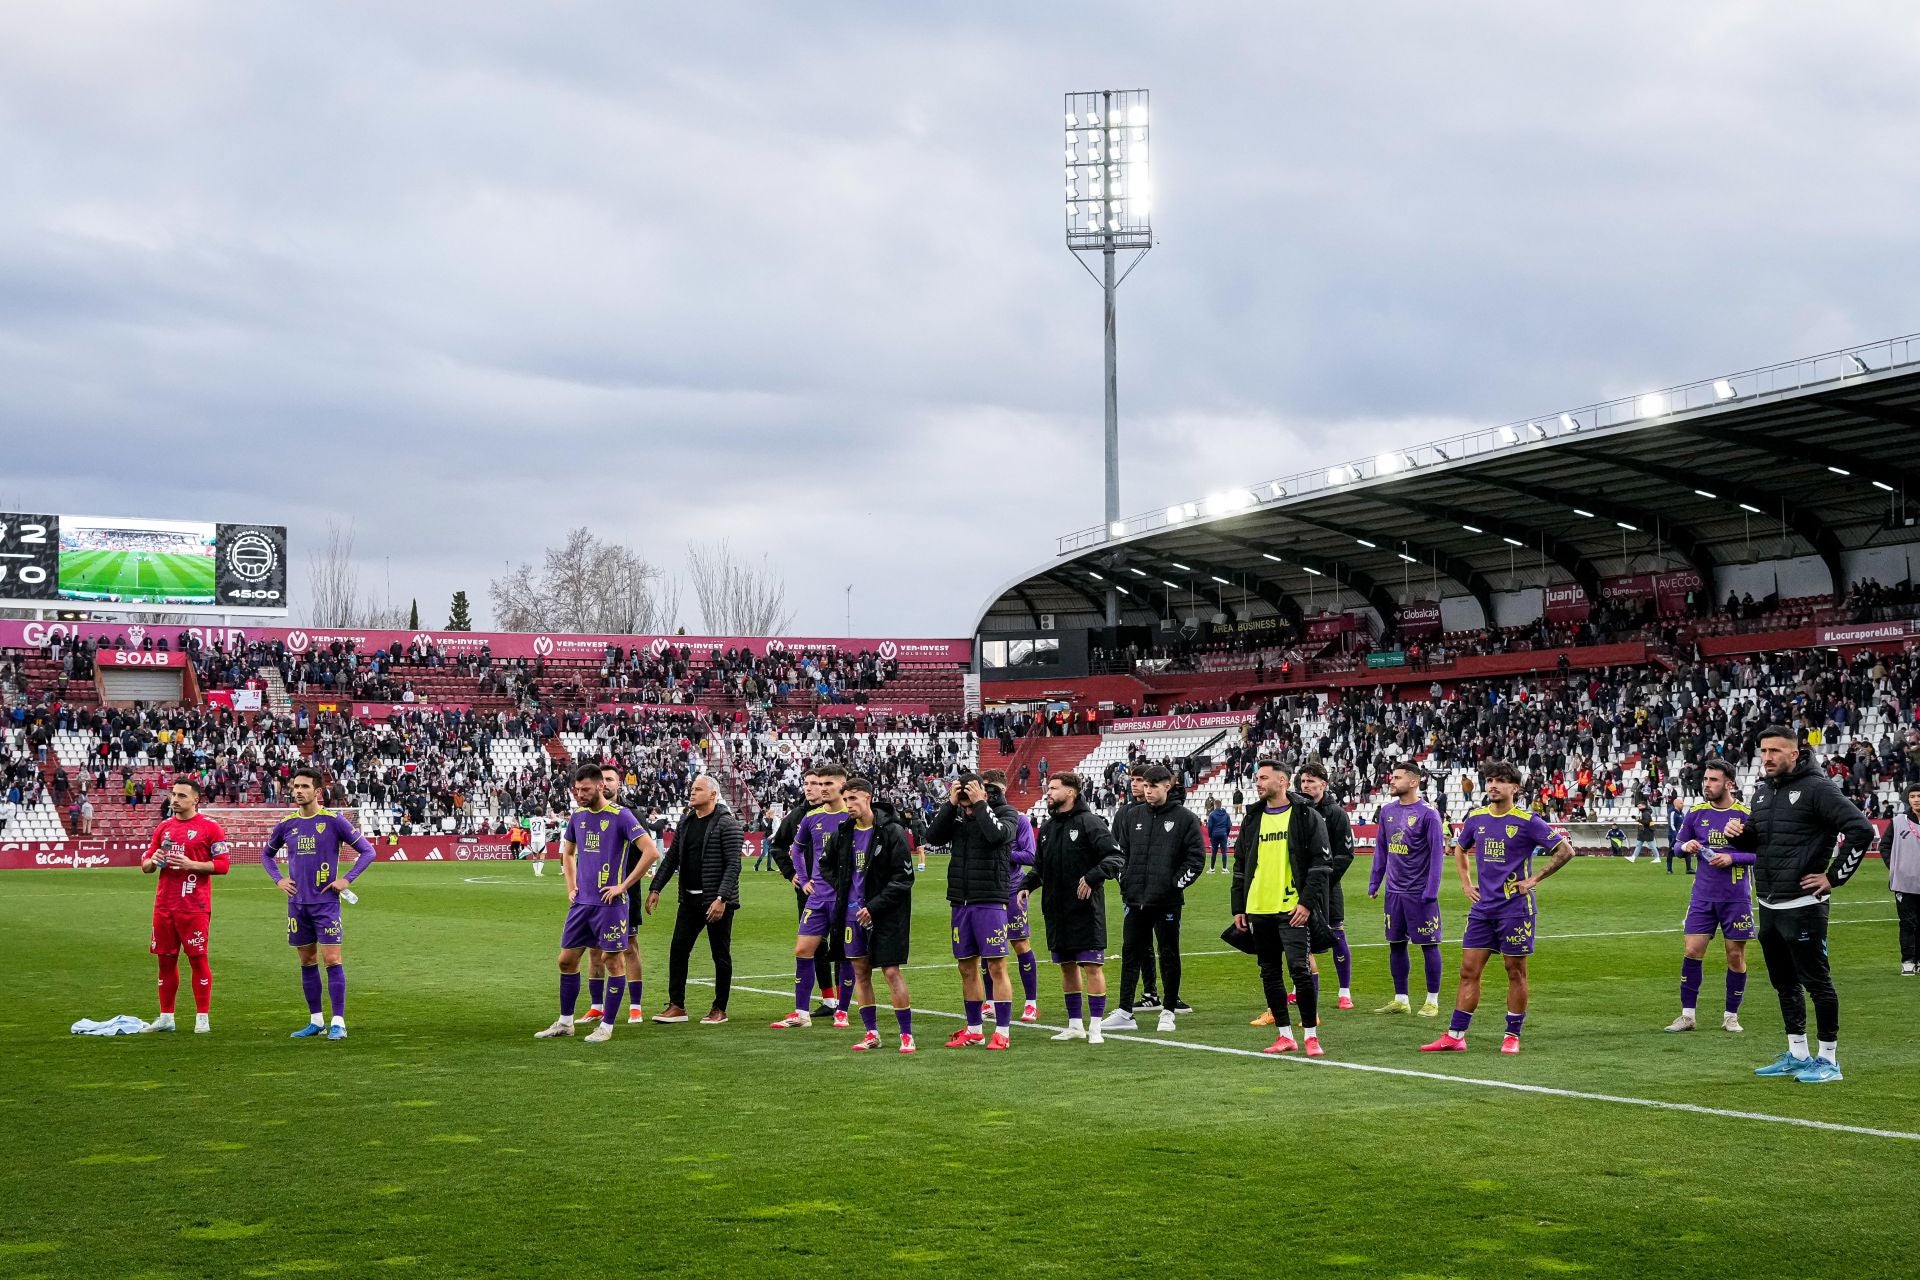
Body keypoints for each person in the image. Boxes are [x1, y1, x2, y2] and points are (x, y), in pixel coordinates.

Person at [1725, 726, 1876, 1083]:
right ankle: (1797, 1053)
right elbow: (1763, 841)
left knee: (1817, 983)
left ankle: (1828, 1060)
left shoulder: (1818, 789)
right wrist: (1740, 834)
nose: (1767, 758)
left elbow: (1862, 830)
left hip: (1804, 904)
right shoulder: (1762, 792)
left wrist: (1833, 877)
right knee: (1784, 982)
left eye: (1775, 751)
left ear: (1795, 753)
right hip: (1769, 902)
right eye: (1763, 751)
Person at [1421, 760, 1575, 1055]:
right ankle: (1456, 1035)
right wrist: (1466, 883)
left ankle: (1512, 1035)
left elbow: (1565, 850)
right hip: (1483, 910)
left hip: (1516, 909)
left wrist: (1535, 878)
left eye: (1500, 781)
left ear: (1514, 788)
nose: (1492, 785)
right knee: (1468, 971)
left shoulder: (1528, 821)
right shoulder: (1476, 817)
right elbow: (1460, 848)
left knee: (1514, 971)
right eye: (1490, 780)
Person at [533, 763, 651, 1043]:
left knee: (612, 961)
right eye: (576, 789)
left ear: (600, 786)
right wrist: (571, 886)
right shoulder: (578, 817)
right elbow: (568, 854)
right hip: (582, 903)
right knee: (566, 960)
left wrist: (623, 885)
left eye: (584, 789)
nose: (579, 794)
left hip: (610, 904)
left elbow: (651, 852)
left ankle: (607, 1026)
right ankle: (565, 1022)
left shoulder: (621, 816)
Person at [262, 767, 377, 1041]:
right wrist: (278, 879)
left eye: (304, 786)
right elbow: (266, 855)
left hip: (325, 903)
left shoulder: (334, 821)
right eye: (295, 786)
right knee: (307, 960)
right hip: (297, 904)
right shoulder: (287, 824)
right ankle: (316, 1021)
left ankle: (338, 1021)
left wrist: (346, 880)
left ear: (318, 791)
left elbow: (368, 851)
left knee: (332, 959)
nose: (298, 791)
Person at [1231, 759, 1331, 1056]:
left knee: (1299, 970)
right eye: (1257, 778)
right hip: (1259, 907)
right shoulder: (1253, 818)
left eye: (1263, 778)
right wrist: (1239, 905)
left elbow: (1320, 864)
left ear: (1282, 781)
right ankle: (1285, 1035)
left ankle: (1311, 1036)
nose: (1258, 783)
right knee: (1269, 972)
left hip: (1292, 907)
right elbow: (1240, 864)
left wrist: (1306, 903)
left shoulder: (1305, 816)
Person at [821, 777, 918, 1053]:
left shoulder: (892, 831)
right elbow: (826, 863)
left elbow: (903, 878)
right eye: (846, 799)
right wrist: (844, 888)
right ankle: (871, 1033)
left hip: (884, 915)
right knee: (860, 972)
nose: (848, 804)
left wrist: (874, 906)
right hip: (852, 916)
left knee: (890, 971)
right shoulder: (844, 832)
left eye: (853, 799)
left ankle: (906, 1034)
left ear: (868, 798)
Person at [1105, 764, 1204, 1033]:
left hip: (1167, 902)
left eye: (1153, 787)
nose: (1148, 791)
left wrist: (1174, 886)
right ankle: (1125, 1011)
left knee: (1168, 953)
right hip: (1135, 899)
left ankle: (1168, 1011)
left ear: (1167, 786)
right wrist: (1125, 880)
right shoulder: (1132, 815)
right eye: (1145, 786)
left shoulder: (1185, 818)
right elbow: (1120, 852)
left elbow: (1196, 860)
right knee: (1130, 953)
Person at [1027, 771, 1124, 1045]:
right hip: (1057, 910)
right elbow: (1039, 869)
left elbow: (1115, 857)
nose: (1048, 792)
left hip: (1085, 910)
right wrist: (1024, 887)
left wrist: (1093, 877)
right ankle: (1074, 1025)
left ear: (1071, 792)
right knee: (1067, 967)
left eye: (1054, 788)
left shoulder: (1090, 823)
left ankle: (1095, 1027)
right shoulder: (1046, 829)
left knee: (1091, 966)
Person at [928, 769, 1019, 1050]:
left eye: (970, 797)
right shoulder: (958, 817)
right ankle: (975, 1029)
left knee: (996, 966)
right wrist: (950, 805)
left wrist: (980, 804)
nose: (966, 804)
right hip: (960, 901)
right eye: (963, 797)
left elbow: (997, 836)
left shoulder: (1007, 813)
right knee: (967, 968)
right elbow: (933, 837)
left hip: (990, 899)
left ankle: (1002, 1031)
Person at [1664, 759, 1754, 1034]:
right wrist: (1686, 845)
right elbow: (1677, 846)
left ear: (1729, 784)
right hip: (1702, 896)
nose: (1707, 784)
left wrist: (1732, 857)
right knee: (1692, 951)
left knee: (1735, 955)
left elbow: (1759, 854)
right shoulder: (1695, 813)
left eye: (1713, 780)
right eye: (1705, 779)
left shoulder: (1745, 815)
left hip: (1735, 897)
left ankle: (1731, 1016)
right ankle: (1687, 1015)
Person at [647, 775, 743, 1025]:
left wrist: (722, 898)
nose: (692, 793)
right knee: (678, 950)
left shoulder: (727, 824)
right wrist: (656, 888)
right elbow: (671, 859)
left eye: (698, 789)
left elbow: (733, 865)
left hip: (716, 902)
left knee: (720, 954)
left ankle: (719, 1008)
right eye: (691, 789)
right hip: (689, 900)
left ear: (713, 795)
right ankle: (677, 1005)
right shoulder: (687, 822)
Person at [137, 778, 230, 1035]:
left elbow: (223, 865)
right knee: (165, 961)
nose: (174, 800)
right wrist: (153, 860)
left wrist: (192, 865)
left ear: (195, 799)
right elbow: (145, 866)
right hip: (164, 905)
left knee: (198, 959)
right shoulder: (164, 827)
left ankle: (202, 1018)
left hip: (194, 906)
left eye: (181, 796)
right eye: (173, 795)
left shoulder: (211, 828)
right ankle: (166, 1017)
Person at [771, 763, 852, 1030]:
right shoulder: (810, 818)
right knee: (803, 950)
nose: (822, 788)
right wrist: (803, 880)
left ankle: (842, 1011)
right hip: (817, 898)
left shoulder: (853, 818)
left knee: (845, 955)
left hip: (845, 899)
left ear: (843, 785)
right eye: (820, 783)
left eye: (828, 784)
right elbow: (794, 850)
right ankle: (801, 1013)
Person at [1368, 760, 1446, 1017]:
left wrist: (1431, 890)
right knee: (1396, 944)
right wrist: (1374, 881)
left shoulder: (1428, 814)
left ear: (1414, 781)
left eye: (1398, 777)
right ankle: (1401, 999)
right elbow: (1382, 849)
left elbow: (1437, 855)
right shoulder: (1387, 811)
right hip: (1394, 893)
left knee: (1428, 945)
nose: (1392, 780)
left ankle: (1432, 1001)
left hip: (1420, 894)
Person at [585, 763, 662, 1025]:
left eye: (610, 779)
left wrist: (628, 883)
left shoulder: (630, 814)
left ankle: (635, 1006)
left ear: (619, 784)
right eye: (602, 779)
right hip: (594, 894)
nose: (605, 783)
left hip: (624, 892)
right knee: (594, 949)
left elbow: (649, 852)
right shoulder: (587, 814)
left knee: (629, 947)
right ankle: (597, 1006)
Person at [1299, 760, 1355, 1010]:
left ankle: (1344, 991)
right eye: (1302, 781)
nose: (1306, 785)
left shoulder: (1336, 813)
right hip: (1302, 886)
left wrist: (1324, 881)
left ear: (1324, 783)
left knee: (1336, 933)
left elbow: (1345, 854)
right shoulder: (1296, 810)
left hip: (1329, 886)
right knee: (1299, 937)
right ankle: (1299, 988)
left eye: (1311, 781)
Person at [1890, 784, 1920, 976]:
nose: (1917, 799)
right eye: (1913, 796)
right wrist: (1895, 866)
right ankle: (1908, 960)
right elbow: (1885, 846)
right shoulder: (1897, 821)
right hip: (1904, 882)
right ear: (1907, 799)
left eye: (1919, 796)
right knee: (1908, 923)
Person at [1665, 795, 1694, 876]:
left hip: (1682, 837)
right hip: (1673, 836)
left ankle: (1689, 869)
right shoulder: (1672, 812)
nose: (1683, 804)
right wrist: (1676, 835)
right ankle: (1669, 869)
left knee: (1687, 851)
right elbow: (1671, 825)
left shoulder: (1682, 814)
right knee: (1671, 852)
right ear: (1676, 804)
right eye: (1681, 803)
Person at [1205, 800, 1232, 874]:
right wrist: (1226, 834)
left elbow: (1209, 826)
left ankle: (1212, 869)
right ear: (1221, 805)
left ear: (1215, 805)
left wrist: (1210, 835)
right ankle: (1224, 869)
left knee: (1214, 852)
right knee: (1224, 852)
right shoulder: (1226, 814)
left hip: (1214, 834)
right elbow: (1229, 826)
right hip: (1223, 834)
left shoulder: (1212, 814)